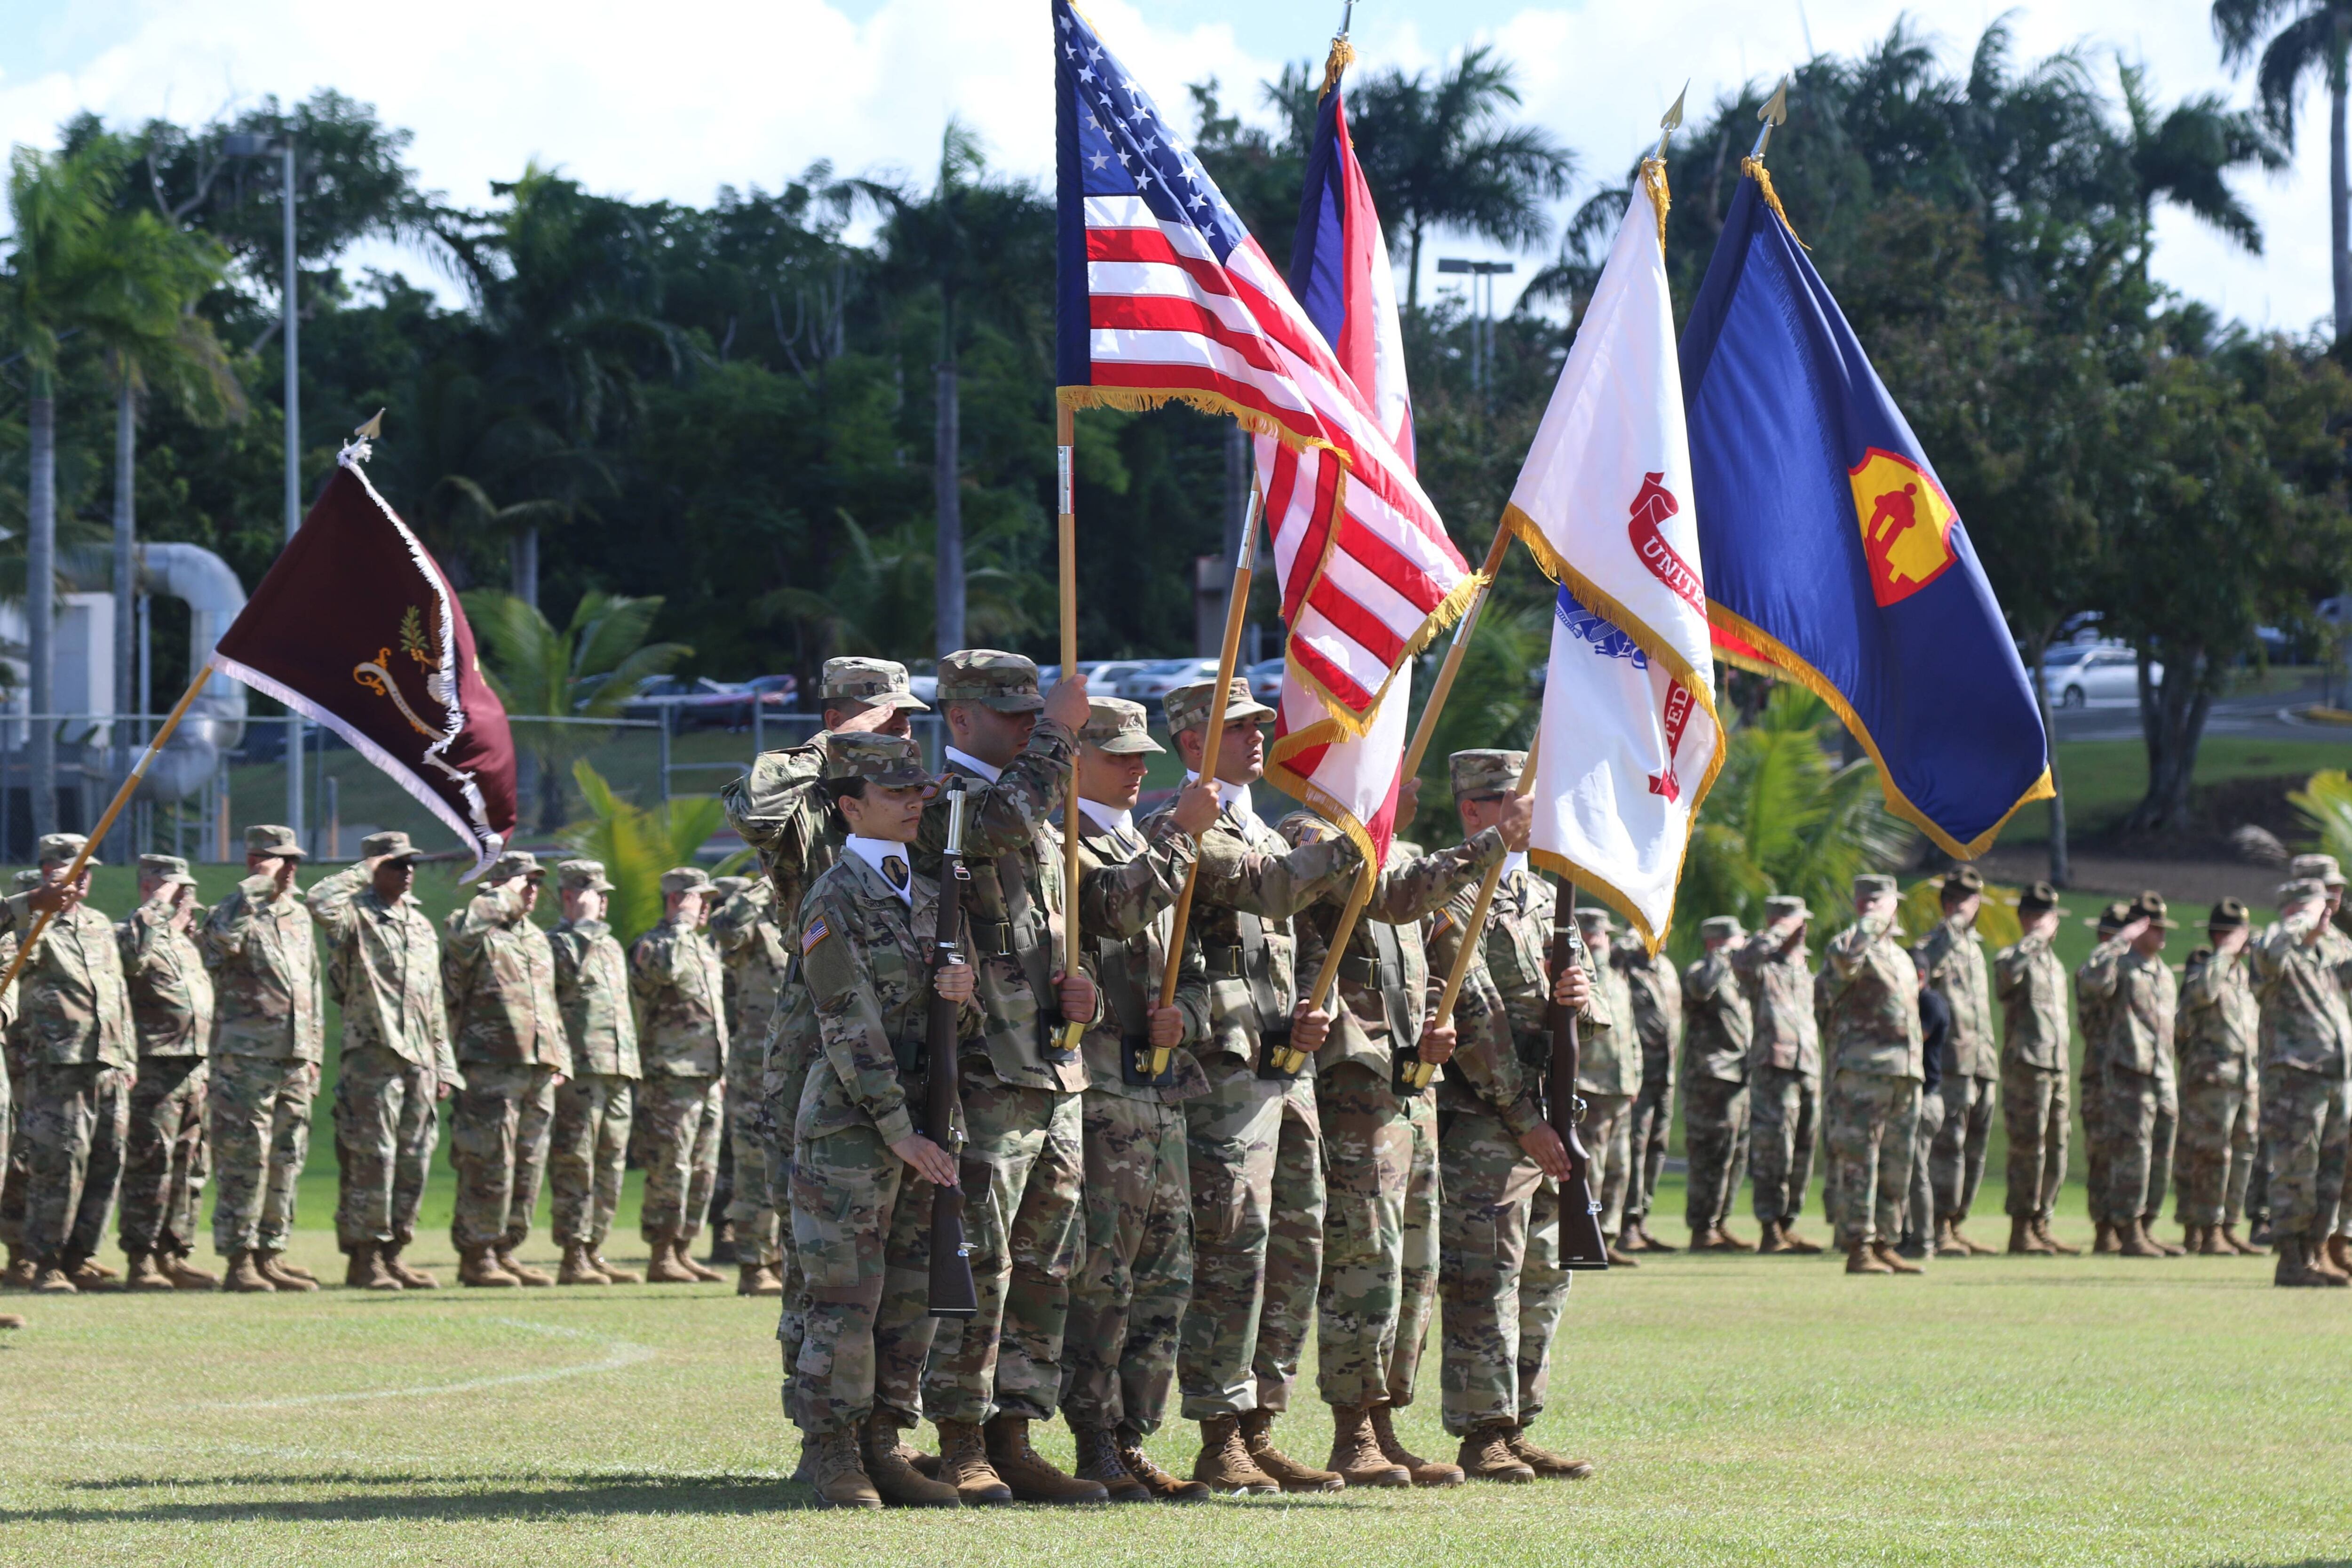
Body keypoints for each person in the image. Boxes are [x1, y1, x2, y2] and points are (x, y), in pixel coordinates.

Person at [909, 651, 1105, 1506]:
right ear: (959, 718)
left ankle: (1015, 1430)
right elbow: (999, 825)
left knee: (1048, 1263)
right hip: (985, 1071)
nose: (1029, 723)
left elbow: (1051, 931)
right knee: (981, 1259)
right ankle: (960, 1433)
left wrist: (1082, 989)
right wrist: (1061, 731)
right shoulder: (946, 804)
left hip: (1052, 1064)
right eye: (1012, 711)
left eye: (1035, 711)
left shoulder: (1038, 806)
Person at [1148, 678, 1345, 1496]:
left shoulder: (1260, 825)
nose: (1258, 735)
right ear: (1192, 743)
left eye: (1261, 723)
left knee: (1296, 1246)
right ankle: (1218, 1431)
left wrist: (1312, 1009)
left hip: (1285, 1071)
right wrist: (1357, 839)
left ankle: (1261, 1424)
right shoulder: (1183, 826)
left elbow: (1291, 943)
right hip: (1222, 1072)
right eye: (1237, 727)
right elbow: (1271, 888)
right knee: (1232, 1247)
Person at [724, 657, 926, 1409]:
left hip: (905, 1030)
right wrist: (831, 747)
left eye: (908, 720)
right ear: (841, 717)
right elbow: (752, 811)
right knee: (821, 1248)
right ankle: (823, 1424)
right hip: (817, 1028)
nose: (903, 731)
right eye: (889, 717)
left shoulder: (908, 799)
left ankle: (884, 1425)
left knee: (904, 1251)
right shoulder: (806, 794)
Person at [788, 731, 973, 1509]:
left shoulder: (928, 893)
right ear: (850, 806)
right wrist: (899, 1128)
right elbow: (846, 1018)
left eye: (917, 791)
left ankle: (884, 1441)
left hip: (924, 1126)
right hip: (855, 1130)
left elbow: (949, 1026)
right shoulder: (832, 897)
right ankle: (832, 1451)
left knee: (908, 1293)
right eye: (894, 793)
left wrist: (963, 994)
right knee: (846, 1297)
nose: (912, 803)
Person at [1059, 696, 1219, 1502]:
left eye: (1141, 756)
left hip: (1160, 1089)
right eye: (1116, 753)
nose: (1135, 767)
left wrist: (1185, 1013)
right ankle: (1094, 1435)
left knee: (1166, 1275)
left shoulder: (1142, 842)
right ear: (1076, 758)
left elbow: (1193, 966)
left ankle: (1133, 1435)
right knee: (1104, 1275)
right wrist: (1180, 833)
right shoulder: (1066, 844)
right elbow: (1113, 909)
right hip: (1101, 1091)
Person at [1422, 750, 1596, 1484]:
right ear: (1474, 809)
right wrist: (1525, 1118)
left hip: (1551, 1116)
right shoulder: (1453, 893)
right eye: (1512, 800)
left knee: (1545, 1274)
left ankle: (1520, 1421)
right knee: (1484, 1275)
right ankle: (1483, 1431)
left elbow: (1587, 1009)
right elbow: (1474, 1015)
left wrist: (1582, 995)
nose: (1531, 813)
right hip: (1487, 1122)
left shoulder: (1545, 896)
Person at [309, 831, 453, 1290]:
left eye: (412, 864)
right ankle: (365, 1257)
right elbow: (318, 901)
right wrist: (365, 869)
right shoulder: (355, 915)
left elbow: (433, 1002)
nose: (408, 872)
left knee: (415, 1159)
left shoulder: (421, 925)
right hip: (373, 1055)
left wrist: (444, 1064)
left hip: (420, 1061)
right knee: (373, 1158)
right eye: (396, 864)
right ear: (375, 867)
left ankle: (394, 1254)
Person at [202, 824, 326, 1292]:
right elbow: (217, 946)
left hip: (293, 1057)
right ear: (255, 861)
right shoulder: (231, 912)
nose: (291, 867)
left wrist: (313, 1053)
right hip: (245, 1059)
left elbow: (311, 986)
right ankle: (238, 1259)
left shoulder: (299, 917)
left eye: (294, 860)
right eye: (281, 859)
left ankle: (270, 1253)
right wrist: (254, 886)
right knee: (244, 1160)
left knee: (286, 1158)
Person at [16, 835, 135, 1294]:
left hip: (108, 1060)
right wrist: (42, 908)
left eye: (87, 871)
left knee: (108, 1161)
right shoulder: (36, 923)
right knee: (59, 1164)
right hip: (59, 1062)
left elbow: (117, 991)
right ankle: (45, 1262)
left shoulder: (99, 924)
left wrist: (128, 1055)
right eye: (73, 869)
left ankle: (81, 1257)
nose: (83, 878)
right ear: (50, 872)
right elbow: (18, 959)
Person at [443, 849, 567, 1287]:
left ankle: (505, 1248)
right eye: (523, 881)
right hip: (491, 1063)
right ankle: (477, 1253)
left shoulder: (536, 938)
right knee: (488, 1158)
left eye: (535, 882)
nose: (531, 890)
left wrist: (559, 1056)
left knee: (529, 1163)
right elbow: (460, 937)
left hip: (538, 1065)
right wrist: (501, 896)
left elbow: (548, 1000)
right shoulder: (475, 926)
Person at [115, 855, 216, 1291]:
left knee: (191, 1165)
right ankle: (141, 1259)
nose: (188, 903)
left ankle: (173, 1253)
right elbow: (130, 958)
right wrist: (158, 904)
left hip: (194, 1067)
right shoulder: (133, 934)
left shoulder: (186, 945)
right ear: (150, 890)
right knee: (150, 1164)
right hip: (155, 1068)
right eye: (180, 894)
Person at [2249, 876, 2352, 1287]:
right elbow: (2267, 956)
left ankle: (2315, 1250)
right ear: (2293, 909)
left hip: (2333, 1075)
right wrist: (2299, 921)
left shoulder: (2322, 954)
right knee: (2296, 1169)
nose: (2328, 910)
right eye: (2317, 904)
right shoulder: (2274, 948)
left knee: (2330, 1170)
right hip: (2295, 1078)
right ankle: (2291, 1259)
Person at [1821, 874, 1926, 1276]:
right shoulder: (1850, 944)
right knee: (1860, 1160)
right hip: (1864, 1071)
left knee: (1897, 1162)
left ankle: (1886, 1241)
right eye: (1865, 900)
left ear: (1895, 903)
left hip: (1904, 1071)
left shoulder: (1901, 957)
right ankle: (1859, 1246)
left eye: (1879, 900)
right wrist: (1869, 924)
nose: (1872, 905)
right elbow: (1845, 963)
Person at [630, 866, 730, 1285]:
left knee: (703, 1169)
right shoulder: (655, 944)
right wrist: (680, 924)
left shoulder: (703, 948)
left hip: (707, 1074)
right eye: (698, 898)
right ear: (675, 899)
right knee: (671, 1166)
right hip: (670, 1074)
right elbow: (663, 973)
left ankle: (683, 1248)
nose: (706, 906)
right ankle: (661, 1252)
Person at [547, 860, 641, 1285]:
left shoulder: (611, 945)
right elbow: (565, 978)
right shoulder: (558, 943)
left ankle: (594, 1248)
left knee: (611, 1163)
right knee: (577, 1161)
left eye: (604, 894)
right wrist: (583, 926)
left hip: (618, 1068)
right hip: (582, 1069)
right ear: (570, 896)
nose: (603, 902)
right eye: (595, 894)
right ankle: (572, 1253)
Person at [2078, 893, 2182, 1259]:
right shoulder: (2119, 966)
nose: (2162, 934)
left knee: (2160, 1153)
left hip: (2162, 1073)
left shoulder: (2164, 973)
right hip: (2129, 1071)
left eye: (2163, 927)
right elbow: (2091, 980)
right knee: (2131, 1152)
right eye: (2154, 928)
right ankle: (2128, 1227)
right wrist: (2121, 940)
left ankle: (2146, 1225)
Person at [710, 875, 790, 1297]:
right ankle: (753, 1263)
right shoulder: (751, 927)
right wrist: (761, 885)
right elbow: (725, 929)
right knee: (755, 1166)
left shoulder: (797, 917)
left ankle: (781, 1260)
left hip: (799, 1061)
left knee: (792, 1167)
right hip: (755, 1065)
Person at [1916, 866, 1997, 1256]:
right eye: (1964, 899)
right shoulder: (1936, 943)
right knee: (1947, 1146)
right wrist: (1951, 926)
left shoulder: (1973, 949)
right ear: (1948, 902)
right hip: (1951, 1063)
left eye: (1975, 898)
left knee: (1975, 1150)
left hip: (1981, 1062)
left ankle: (1956, 1220)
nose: (1972, 906)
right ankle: (1937, 1225)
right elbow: (1923, 969)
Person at [2175, 898, 2262, 1257]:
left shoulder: (2243, 977)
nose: (2245, 940)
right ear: (2220, 936)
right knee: (2211, 1153)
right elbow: (2201, 996)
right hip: (2212, 1080)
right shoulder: (2205, 969)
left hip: (2244, 1078)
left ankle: (2228, 1225)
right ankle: (2205, 1228)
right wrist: (2224, 953)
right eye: (2238, 934)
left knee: (2243, 1152)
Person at [1736, 896, 1823, 1254]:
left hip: (1808, 1067)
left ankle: (1788, 1224)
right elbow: (1742, 962)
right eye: (1796, 923)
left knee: (1803, 1150)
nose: (1803, 930)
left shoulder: (1803, 969)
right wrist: (1777, 932)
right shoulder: (1762, 967)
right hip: (1775, 1068)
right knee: (1775, 1150)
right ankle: (1770, 1226)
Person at [1993, 882, 2076, 1255]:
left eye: (2050, 916)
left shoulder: (2055, 966)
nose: (2048, 923)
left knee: (2057, 1146)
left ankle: (2042, 1221)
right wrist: (2034, 939)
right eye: (2038, 916)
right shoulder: (2013, 956)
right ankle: (2021, 1226)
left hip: (2056, 1066)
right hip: (2028, 1065)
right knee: (2029, 1148)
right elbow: (2006, 978)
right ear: (2025, 918)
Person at [1679, 916, 1752, 1252]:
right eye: (1738, 940)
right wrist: (1721, 956)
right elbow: (1700, 989)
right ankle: (1702, 1228)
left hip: (1739, 1077)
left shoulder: (1736, 977)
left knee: (1734, 1155)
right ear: (1717, 942)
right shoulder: (1701, 971)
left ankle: (1719, 1223)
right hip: (1711, 1077)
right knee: (1709, 1155)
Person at [1574, 906, 1640, 1263]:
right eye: (1593, 934)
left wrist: (1636, 1077)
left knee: (1619, 1167)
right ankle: (1587, 1237)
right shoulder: (1580, 979)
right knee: (1594, 1170)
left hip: (1620, 1087)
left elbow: (1630, 1033)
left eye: (1603, 935)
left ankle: (1607, 1237)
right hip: (1591, 1086)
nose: (1600, 940)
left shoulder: (1616, 978)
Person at [1613, 928, 1682, 1253]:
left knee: (1657, 1147)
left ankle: (1641, 1220)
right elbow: (1612, 953)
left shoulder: (1666, 969)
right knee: (1635, 1146)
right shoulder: (1624, 965)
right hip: (1638, 1073)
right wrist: (1637, 934)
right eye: (1656, 930)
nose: (1663, 938)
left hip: (1666, 1074)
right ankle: (1625, 1223)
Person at [2076, 901, 2130, 1253]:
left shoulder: (2131, 970)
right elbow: (2097, 983)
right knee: (2102, 1152)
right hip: (2100, 1073)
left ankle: (2130, 1225)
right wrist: (2118, 945)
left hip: (2129, 1073)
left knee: (2130, 1151)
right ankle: (2104, 1228)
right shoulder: (2095, 969)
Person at [1901, 954, 1949, 1259]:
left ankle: (1923, 1241)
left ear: (1919, 975)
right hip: (1916, 1098)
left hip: (1925, 1099)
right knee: (1906, 1172)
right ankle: (1906, 1235)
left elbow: (1915, 1038)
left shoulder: (1929, 1002)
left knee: (1917, 1173)